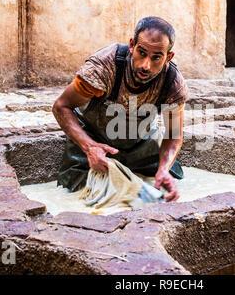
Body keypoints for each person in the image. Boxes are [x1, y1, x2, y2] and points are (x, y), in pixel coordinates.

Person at [52, 16, 189, 202]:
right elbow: (61, 106)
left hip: (140, 140)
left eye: (156, 57)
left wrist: (163, 168)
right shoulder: (103, 67)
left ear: (168, 57)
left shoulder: (172, 82)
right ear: (132, 45)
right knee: (77, 187)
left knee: (167, 179)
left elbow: (174, 135)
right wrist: (89, 147)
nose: (145, 65)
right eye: (141, 52)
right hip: (94, 138)